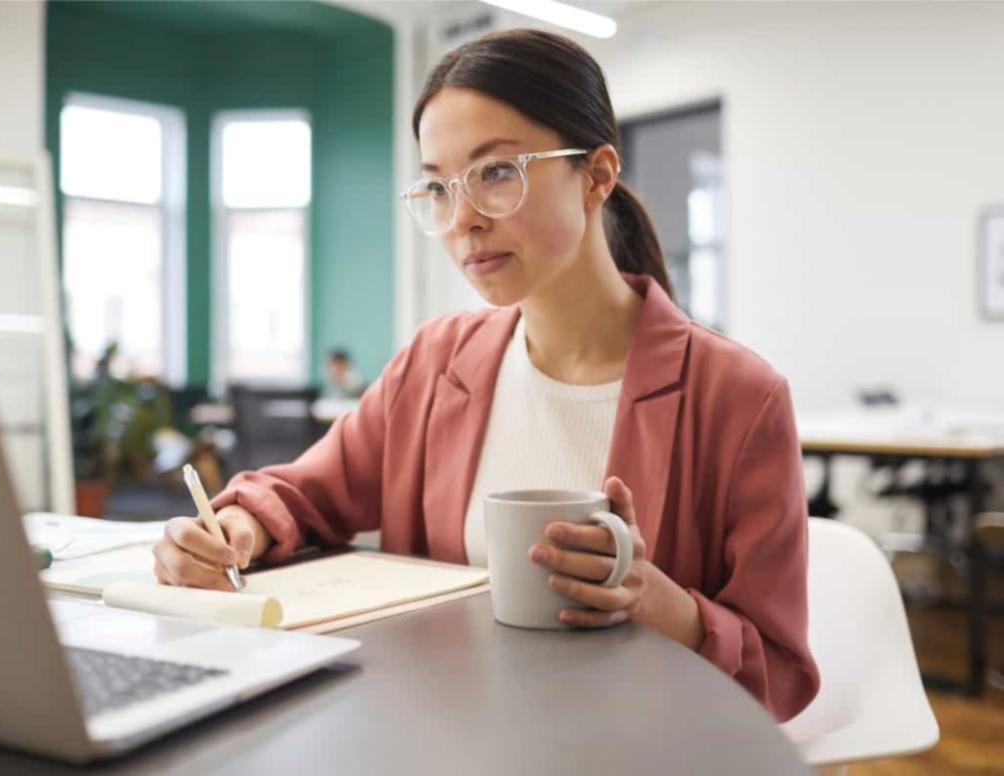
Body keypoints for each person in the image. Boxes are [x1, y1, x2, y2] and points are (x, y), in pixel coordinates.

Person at [153, 28, 819, 721]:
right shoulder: (437, 361)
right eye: (439, 188)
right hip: (445, 729)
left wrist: (655, 600)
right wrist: (231, 530)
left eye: (497, 173)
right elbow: (303, 493)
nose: (462, 220)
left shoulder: (738, 396)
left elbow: (782, 670)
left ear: (597, 175)